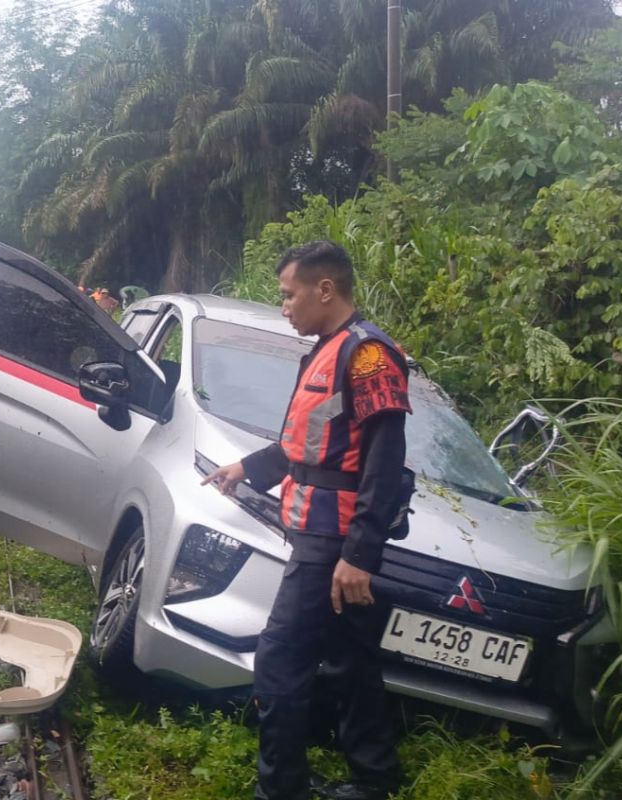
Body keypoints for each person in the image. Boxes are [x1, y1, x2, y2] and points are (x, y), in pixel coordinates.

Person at [203, 241, 410, 800]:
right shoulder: (327, 350)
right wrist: (243, 467)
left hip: (332, 541)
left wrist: (358, 555)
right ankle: (375, 780)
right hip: (317, 534)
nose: (285, 306)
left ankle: (281, 788)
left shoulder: (367, 355)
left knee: (280, 659)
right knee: (349, 662)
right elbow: (307, 448)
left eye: (290, 295)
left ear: (325, 289)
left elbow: (385, 461)